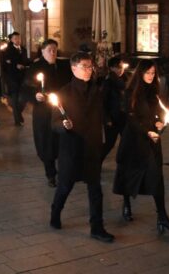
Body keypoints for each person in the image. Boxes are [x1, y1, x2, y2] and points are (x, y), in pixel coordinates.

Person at [50, 52, 114, 243]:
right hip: (72, 149)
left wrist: (108, 121)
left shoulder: (96, 89)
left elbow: (102, 112)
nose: (89, 70)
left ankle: (97, 227)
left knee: (95, 189)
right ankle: (55, 213)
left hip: (92, 147)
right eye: (84, 66)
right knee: (65, 186)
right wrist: (64, 125)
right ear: (73, 68)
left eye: (90, 66)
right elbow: (53, 123)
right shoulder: (64, 93)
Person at [112, 60, 169, 235]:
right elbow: (131, 118)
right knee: (129, 173)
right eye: (148, 73)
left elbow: (157, 112)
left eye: (153, 73)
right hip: (134, 140)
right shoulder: (130, 92)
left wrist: (158, 121)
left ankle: (162, 217)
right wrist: (147, 131)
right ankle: (126, 204)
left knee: (156, 176)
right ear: (140, 73)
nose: (151, 76)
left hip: (151, 141)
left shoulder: (154, 91)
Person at [24, 39, 71, 188]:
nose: (53, 52)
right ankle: (50, 173)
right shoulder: (35, 67)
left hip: (61, 109)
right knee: (47, 142)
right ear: (42, 51)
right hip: (44, 112)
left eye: (55, 50)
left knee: (63, 140)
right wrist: (35, 96)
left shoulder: (63, 66)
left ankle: (65, 170)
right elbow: (26, 89)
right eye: (50, 50)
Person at [101, 56, 129, 161]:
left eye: (122, 67)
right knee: (109, 143)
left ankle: (125, 162)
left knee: (127, 141)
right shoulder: (108, 82)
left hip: (124, 116)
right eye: (119, 67)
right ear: (112, 68)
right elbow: (103, 102)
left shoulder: (125, 79)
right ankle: (96, 163)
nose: (121, 69)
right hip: (112, 118)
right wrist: (106, 118)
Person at [3, 32, 29, 126]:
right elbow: (6, 64)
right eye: (15, 39)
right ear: (11, 40)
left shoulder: (24, 49)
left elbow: (26, 61)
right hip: (13, 77)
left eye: (19, 38)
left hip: (23, 77)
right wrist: (15, 65)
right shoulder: (8, 50)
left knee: (24, 98)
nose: (17, 40)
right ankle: (17, 119)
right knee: (15, 97)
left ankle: (18, 113)